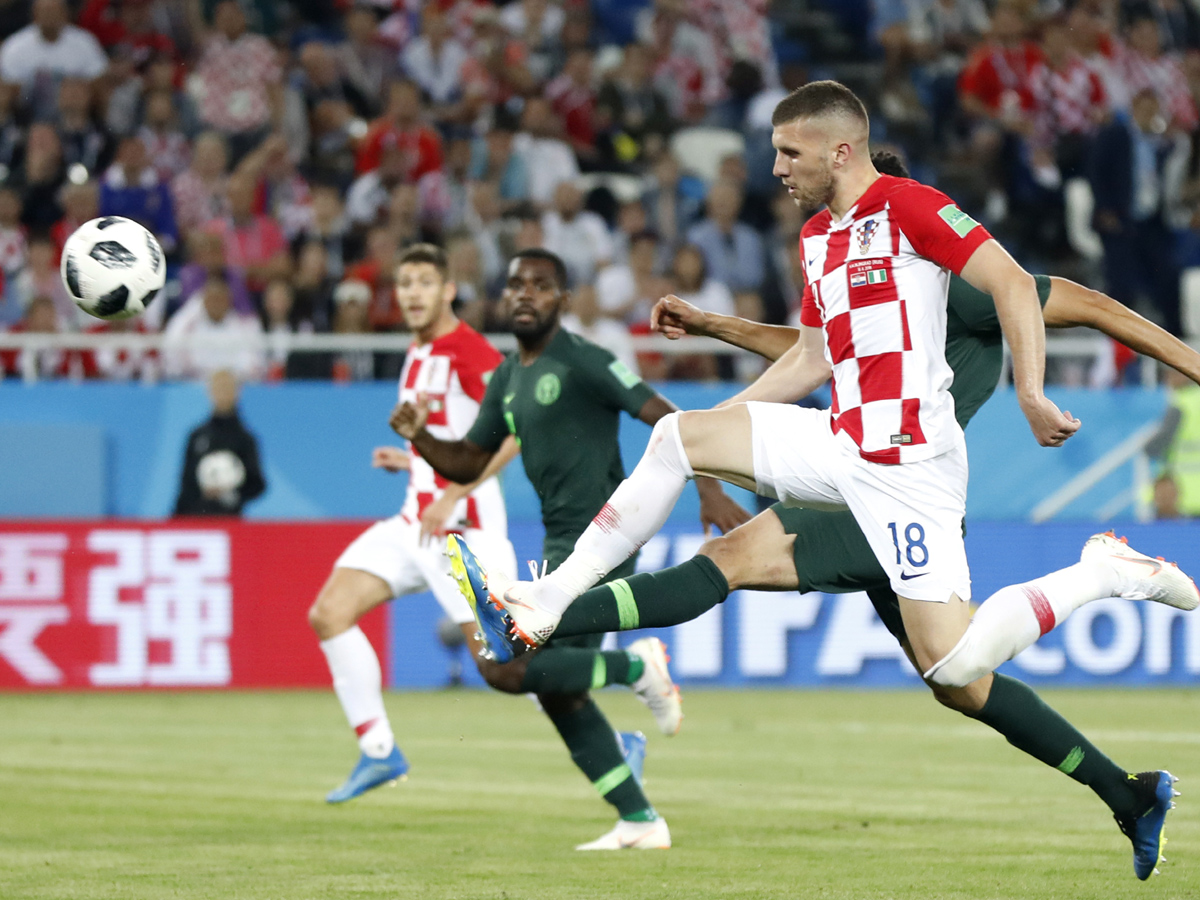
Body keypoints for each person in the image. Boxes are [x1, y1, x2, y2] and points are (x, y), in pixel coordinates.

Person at [444, 84, 1192, 878]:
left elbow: (1021, 287)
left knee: (956, 670)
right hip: (840, 443)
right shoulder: (817, 239)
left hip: (911, 471)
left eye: (787, 152)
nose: (774, 168)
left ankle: (1102, 571)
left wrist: (1034, 392)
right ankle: (546, 602)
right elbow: (814, 355)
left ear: (841, 152)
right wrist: (716, 432)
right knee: (674, 436)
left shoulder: (917, 214)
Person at [387, 248, 750, 850]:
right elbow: (469, 461)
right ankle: (639, 820)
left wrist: (708, 489)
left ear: (563, 300)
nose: (525, 293)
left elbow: (669, 420)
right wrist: (420, 436)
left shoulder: (583, 360)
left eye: (540, 285)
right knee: (553, 688)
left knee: (506, 666)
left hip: (606, 535)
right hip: (560, 542)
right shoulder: (508, 377)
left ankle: (637, 669)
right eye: (516, 284)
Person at [173, 369, 266, 516]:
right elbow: (186, 483)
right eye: (218, 387)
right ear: (209, 391)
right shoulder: (197, 436)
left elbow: (257, 484)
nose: (223, 393)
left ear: (238, 392)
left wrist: (231, 494)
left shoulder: (245, 439)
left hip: (230, 519)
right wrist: (176, 519)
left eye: (227, 387)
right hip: (197, 517)